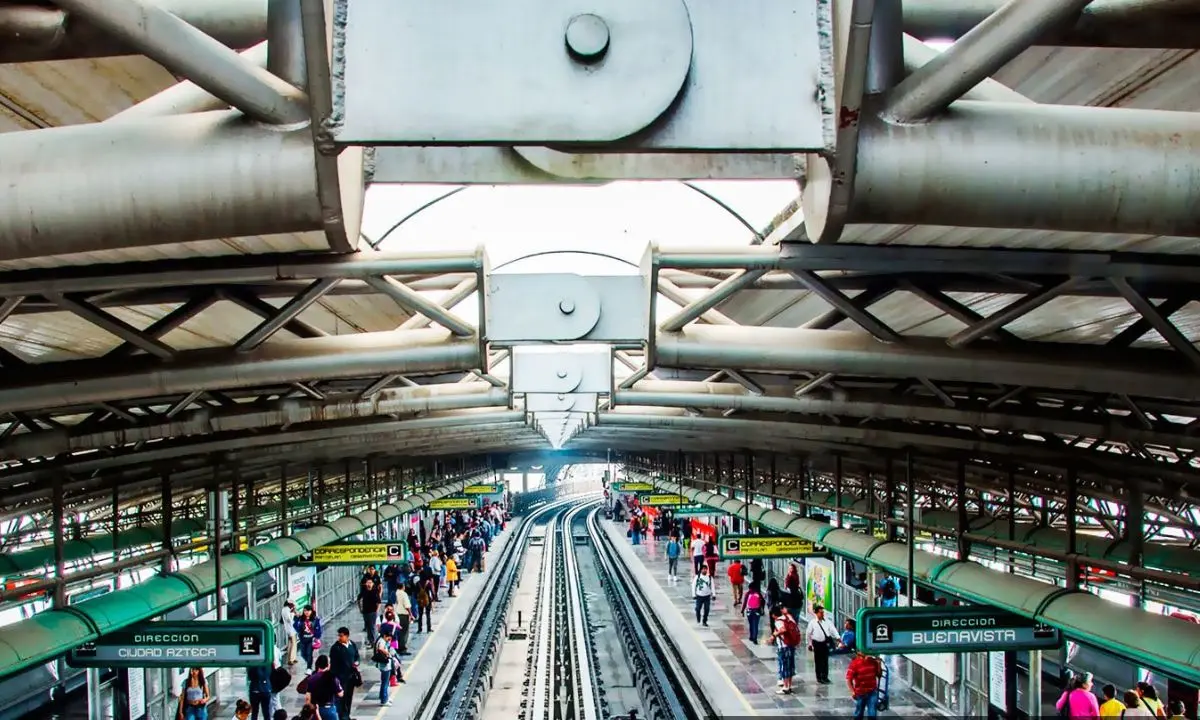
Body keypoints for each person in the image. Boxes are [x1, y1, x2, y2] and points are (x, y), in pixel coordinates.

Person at [329, 628, 360, 720]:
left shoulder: (352, 645)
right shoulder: (335, 648)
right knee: (341, 697)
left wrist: (357, 662)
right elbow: (333, 663)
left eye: (341, 636)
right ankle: (342, 716)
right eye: (339, 635)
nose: (339, 637)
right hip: (341, 677)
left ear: (347, 636)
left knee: (349, 696)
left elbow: (357, 656)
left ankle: (347, 715)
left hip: (351, 676)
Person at [770, 606, 801, 694]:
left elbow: (783, 629)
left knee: (784, 667)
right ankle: (789, 686)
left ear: (773, 615)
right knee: (790, 666)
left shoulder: (779, 621)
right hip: (791, 645)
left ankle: (785, 687)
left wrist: (774, 635)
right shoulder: (788, 618)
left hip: (784, 647)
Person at [806, 604, 839, 684]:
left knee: (825, 660)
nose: (822, 614)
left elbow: (832, 630)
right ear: (816, 613)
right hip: (817, 643)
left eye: (823, 612)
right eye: (820, 612)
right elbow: (808, 634)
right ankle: (819, 677)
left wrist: (838, 637)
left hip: (825, 643)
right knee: (818, 661)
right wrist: (809, 644)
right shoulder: (813, 623)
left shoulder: (827, 622)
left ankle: (825, 676)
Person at [846, 649, 883, 719]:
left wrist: (878, 664)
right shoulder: (854, 664)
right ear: (858, 653)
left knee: (872, 713)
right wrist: (853, 691)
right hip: (860, 692)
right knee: (859, 713)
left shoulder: (873, 661)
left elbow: (879, 675)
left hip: (872, 691)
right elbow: (849, 679)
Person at [303, 655, 343, 720]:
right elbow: (340, 694)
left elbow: (308, 698)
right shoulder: (332, 678)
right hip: (329, 709)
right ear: (328, 665)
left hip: (316, 709)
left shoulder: (311, 678)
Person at [373, 628, 405, 706]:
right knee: (385, 682)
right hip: (384, 665)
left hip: (383, 664)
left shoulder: (381, 640)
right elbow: (380, 648)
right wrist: (387, 653)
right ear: (384, 636)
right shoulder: (382, 641)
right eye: (388, 637)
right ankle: (384, 700)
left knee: (385, 682)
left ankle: (384, 697)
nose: (389, 639)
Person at [294, 606, 322, 672]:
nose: (306, 612)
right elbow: (295, 626)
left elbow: (318, 629)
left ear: (311, 611)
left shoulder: (315, 619)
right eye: (305, 611)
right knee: (303, 654)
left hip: (311, 639)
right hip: (303, 639)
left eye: (308, 610)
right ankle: (311, 663)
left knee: (309, 653)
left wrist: (317, 637)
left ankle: (309, 668)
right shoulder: (301, 619)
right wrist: (296, 618)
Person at [358, 578, 381, 644]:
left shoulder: (375, 591)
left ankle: (373, 641)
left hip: (372, 611)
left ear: (373, 584)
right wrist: (360, 608)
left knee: (372, 627)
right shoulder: (364, 591)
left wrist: (376, 611)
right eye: (368, 582)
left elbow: (379, 602)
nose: (369, 584)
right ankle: (370, 640)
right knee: (367, 627)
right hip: (365, 611)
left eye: (370, 582)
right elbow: (358, 599)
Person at [280, 601, 298, 666]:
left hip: (289, 629)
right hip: (290, 629)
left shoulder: (284, 609)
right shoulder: (286, 610)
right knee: (293, 643)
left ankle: (292, 658)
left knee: (290, 643)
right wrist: (293, 614)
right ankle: (291, 659)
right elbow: (289, 619)